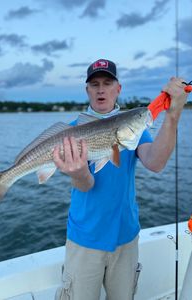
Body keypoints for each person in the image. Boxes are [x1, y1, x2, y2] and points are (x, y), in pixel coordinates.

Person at [53, 59, 187, 300]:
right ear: (87, 90)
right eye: (94, 84)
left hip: (126, 236)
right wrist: (79, 173)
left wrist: (173, 115)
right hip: (86, 238)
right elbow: (86, 184)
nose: (101, 89)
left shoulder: (132, 128)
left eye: (107, 83)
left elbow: (155, 163)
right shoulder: (72, 133)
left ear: (118, 89)